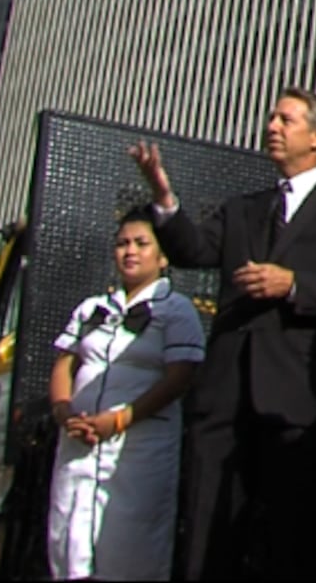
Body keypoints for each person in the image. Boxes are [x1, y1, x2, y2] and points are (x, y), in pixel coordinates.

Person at [129, 88, 316, 580]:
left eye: (285, 119)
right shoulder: (243, 208)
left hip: (297, 396)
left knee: (290, 538)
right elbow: (193, 250)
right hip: (225, 397)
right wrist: (163, 199)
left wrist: (294, 285)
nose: (272, 126)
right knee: (206, 532)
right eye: (271, 118)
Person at [47, 206, 205, 581]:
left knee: (128, 545)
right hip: (78, 444)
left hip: (139, 446)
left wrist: (119, 419)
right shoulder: (91, 309)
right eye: (122, 244)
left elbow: (180, 376)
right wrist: (66, 415)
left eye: (141, 243)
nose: (130, 251)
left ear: (163, 256)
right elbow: (62, 367)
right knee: (67, 538)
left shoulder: (177, 310)